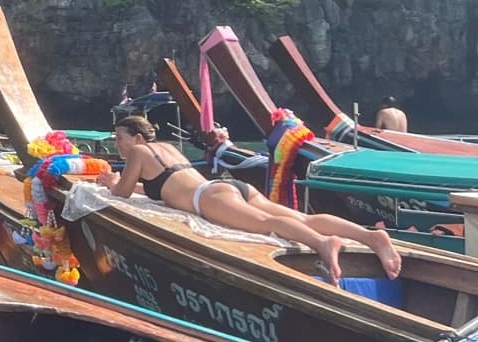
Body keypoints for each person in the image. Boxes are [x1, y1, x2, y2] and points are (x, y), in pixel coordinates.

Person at [99, 113, 401, 286]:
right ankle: (371, 236)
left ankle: (323, 244)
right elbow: (162, 188)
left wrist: (112, 181)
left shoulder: (138, 153)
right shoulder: (167, 150)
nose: (118, 143)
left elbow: (122, 192)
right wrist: (130, 186)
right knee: (303, 217)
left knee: (267, 223)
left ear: (137, 138)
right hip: (227, 188)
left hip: (209, 199)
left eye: (120, 137)